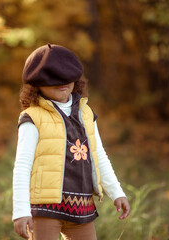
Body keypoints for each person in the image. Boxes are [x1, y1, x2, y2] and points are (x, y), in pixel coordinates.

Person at [12, 43, 130, 240]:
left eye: (67, 76)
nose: (62, 82)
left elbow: (98, 155)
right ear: (36, 83)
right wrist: (21, 211)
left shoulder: (86, 113)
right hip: (44, 208)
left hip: (81, 205)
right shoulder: (32, 118)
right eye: (53, 78)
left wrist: (116, 192)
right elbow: (22, 166)